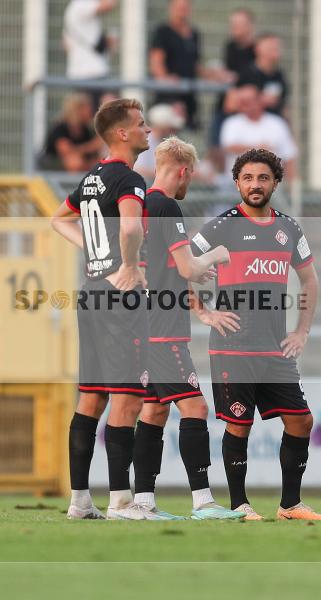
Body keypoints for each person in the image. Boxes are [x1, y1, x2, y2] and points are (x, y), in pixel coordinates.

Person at [190, 148, 321, 521]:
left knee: (301, 421)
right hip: (233, 345)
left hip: (275, 347)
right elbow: (181, 265)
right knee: (240, 423)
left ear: (275, 182)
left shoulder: (289, 227)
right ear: (236, 182)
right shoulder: (221, 226)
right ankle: (240, 506)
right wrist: (203, 312)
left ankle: (290, 505)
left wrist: (301, 331)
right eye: (248, 178)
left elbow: (309, 278)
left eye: (263, 178)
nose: (255, 185)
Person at [130, 136, 244, 520]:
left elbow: (165, 272)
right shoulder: (167, 205)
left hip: (140, 326)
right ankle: (204, 502)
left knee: (153, 412)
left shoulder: (139, 204)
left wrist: (202, 312)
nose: (189, 182)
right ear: (183, 170)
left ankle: (142, 502)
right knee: (195, 407)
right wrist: (216, 254)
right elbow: (186, 269)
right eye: (190, 175)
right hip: (163, 332)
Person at [50, 99, 152, 520]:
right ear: (123, 134)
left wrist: (95, 255)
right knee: (128, 396)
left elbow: (59, 220)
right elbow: (130, 226)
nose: (148, 130)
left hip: (91, 292)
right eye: (142, 124)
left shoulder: (91, 178)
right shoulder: (129, 178)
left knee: (91, 397)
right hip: (119, 298)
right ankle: (121, 502)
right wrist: (128, 265)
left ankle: (79, 500)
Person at [149, 0, 231, 129]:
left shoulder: (194, 34)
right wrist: (165, 80)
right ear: (171, 8)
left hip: (189, 96)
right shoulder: (163, 31)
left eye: (185, 7)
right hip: (168, 96)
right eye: (179, 7)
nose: (182, 11)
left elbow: (195, 65)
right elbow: (156, 61)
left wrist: (213, 75)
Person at [207, 8, 257, 169]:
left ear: (250, 26)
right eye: (233, 24)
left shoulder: (255, 50)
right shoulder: (230, 46)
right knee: (216, 143)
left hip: (244, 109)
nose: (235, 27)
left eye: (239, 24)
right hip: (226, 106)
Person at [220, 85, 297, 185]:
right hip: (238, 185)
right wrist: (259, 149)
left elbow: (289, 155)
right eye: (243, 102)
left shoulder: (277, 123)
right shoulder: (232, 123)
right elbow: (229, 147)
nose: (246, 105)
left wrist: (292, 184)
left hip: (271, 185)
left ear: (259, 100)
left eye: (249, 101)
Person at [63, 0, 118, 109]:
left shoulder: (73, 9)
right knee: (101, 115)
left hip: (83, 74)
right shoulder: (81, 5)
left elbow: (66, 45)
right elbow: (108, 5)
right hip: (91, 74)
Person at [38, 93, 104, 172]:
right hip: (53, 162)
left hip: (79, 162)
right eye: (87, 109)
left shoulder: (85, 129)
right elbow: (66, 151)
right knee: (74, 162)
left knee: (101, 163)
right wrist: (91, 146)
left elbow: (94, 154)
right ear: (77, 110)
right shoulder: (60, 128)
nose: (91, 112)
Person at [234, 33, 289, 119]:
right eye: (271, 46)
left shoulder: (279, 75)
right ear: (258, 49)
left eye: (277, 47)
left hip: (273, 125)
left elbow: (283, 106)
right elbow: (231, 104)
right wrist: (260, 100)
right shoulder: (247, 73)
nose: (276, 49)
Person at [133, 103, 185, 180]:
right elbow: (139, 170)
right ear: (162, 125)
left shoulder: (165, 142)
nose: (173, 129)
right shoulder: (144, 140)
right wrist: (170, 174)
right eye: (170, 126)